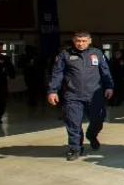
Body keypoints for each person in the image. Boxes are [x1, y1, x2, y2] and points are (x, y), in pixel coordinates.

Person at [47, 31, 114, 160]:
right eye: (78, 41)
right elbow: (57, 74)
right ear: (73, 41)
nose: (81, 44)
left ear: (89, 41)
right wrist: (52, 91)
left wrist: (109, 86)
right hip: (73, 95)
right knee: (73, 122)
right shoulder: (65, 55)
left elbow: (105, 71)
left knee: (98, 120)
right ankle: (76, 148)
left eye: (84, 41)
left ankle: (92, 135)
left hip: (94, 94)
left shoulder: (97, 53)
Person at [0, 41, 16, 124]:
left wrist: (12, 76)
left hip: (0, 82)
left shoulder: (4, 58)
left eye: (1, 48)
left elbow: (11, 68)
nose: (0, 50)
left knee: (1, 100)